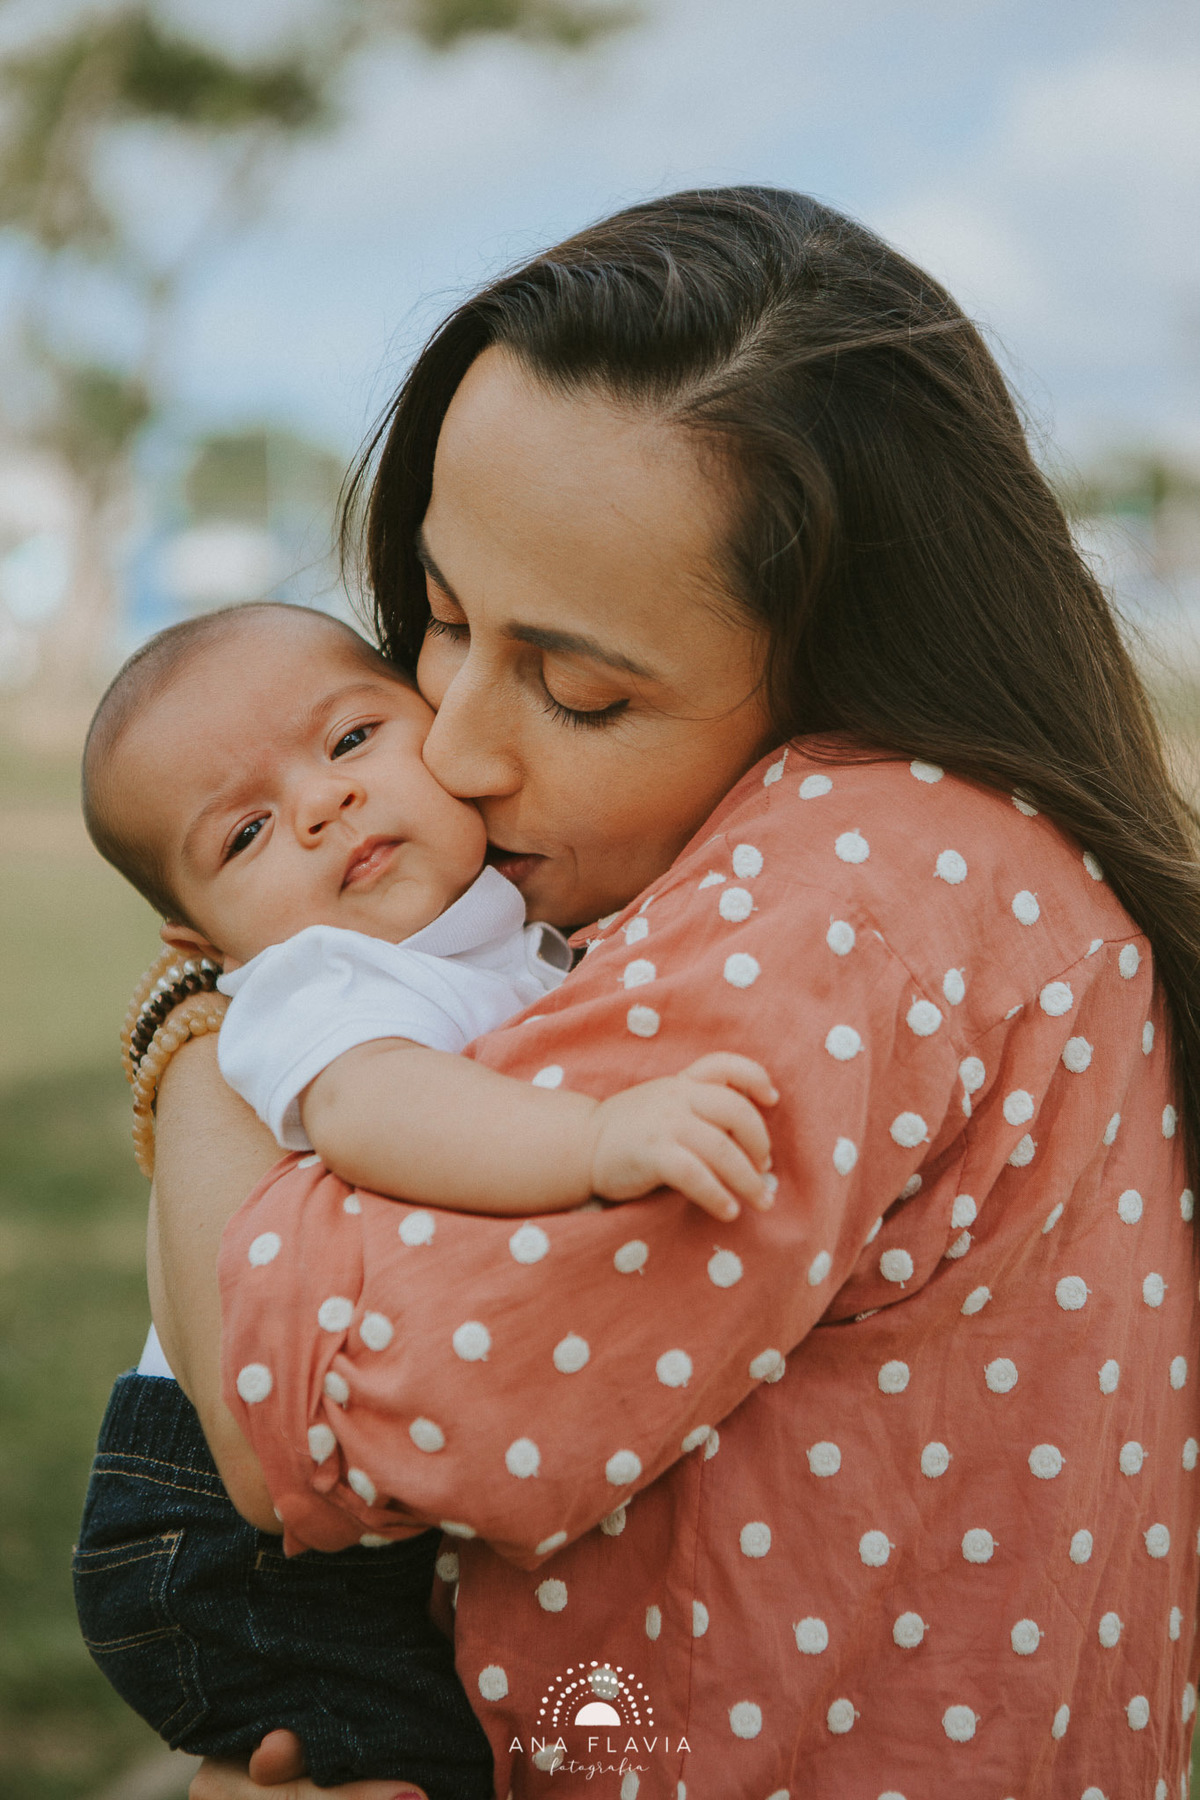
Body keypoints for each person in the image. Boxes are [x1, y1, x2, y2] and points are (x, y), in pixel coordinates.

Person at [145, 188, 1200, 1799]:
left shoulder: (837, 902)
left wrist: (209, 1033)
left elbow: (308, 1413)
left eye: (577, 690)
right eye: (438, 619)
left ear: (843, 645)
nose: (454, 745)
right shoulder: (982, 859)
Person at [72, 601, 775, 1794]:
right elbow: (373, 1105)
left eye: (351, 741)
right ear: (202, 939)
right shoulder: (317, 978)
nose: (320, 805)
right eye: (245, 833)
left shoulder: (495, 929)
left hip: (332, 1483)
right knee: (411, 1755)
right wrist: (596, 1136)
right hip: (222, 1526)